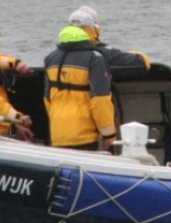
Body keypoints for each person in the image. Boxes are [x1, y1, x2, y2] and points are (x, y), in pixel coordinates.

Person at [43, 9, 120, 151]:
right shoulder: (94, 58)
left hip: (58, 133)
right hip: (85, 135)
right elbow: (100, 101)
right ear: (91, 30)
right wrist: (109, 135)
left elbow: (48, 99)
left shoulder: (51, 58)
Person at [68, 5, 150, 80]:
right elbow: (143, 61)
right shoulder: (105, 54)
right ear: (95, 28)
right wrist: (134, 52)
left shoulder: (57, 56)